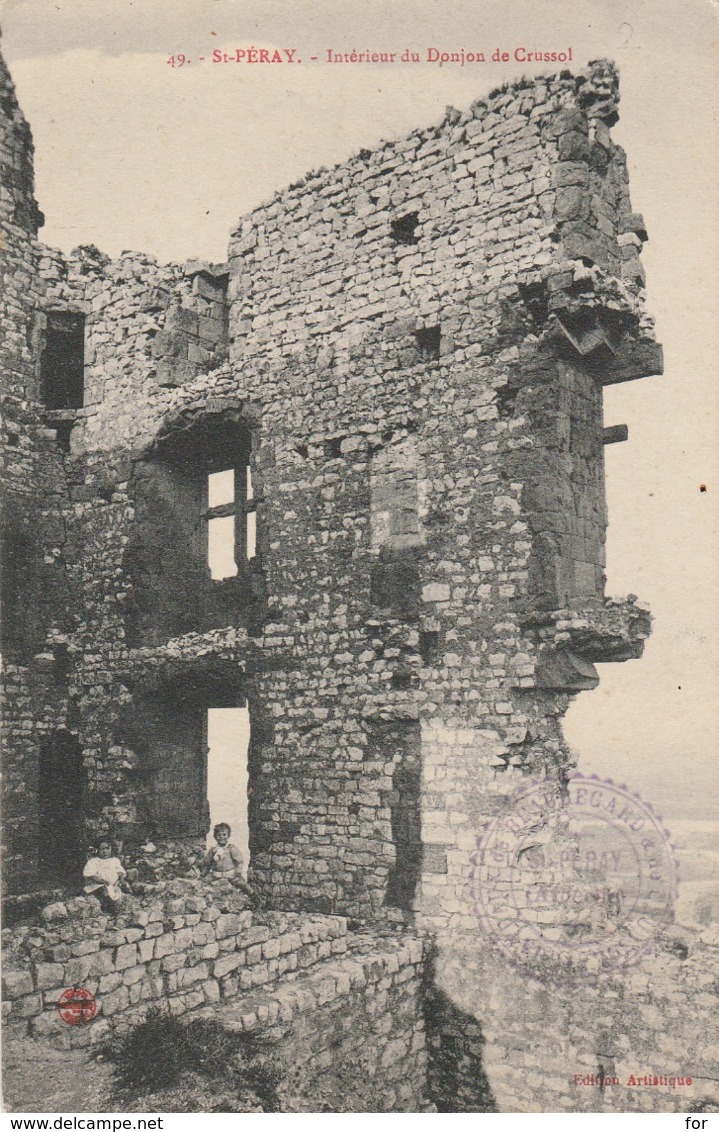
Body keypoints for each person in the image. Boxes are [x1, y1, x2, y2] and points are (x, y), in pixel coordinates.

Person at [201, 822, 254, 901]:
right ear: (215, 837)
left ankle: (253, 896)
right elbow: (208, 864)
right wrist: (203, 874)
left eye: (224, 835)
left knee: (242, 884)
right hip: (216, 876)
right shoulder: (213, 850)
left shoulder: (231, 848)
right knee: (204, 885)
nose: (221, 837)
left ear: (228, 836)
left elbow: (239, 862)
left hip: (230, 875)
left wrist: (238, 872)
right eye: (219, 835)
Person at [83, 839, 127, 911]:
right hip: (98, 885)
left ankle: (115, 904)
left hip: (113, 884)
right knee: (104, 891)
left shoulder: (114, 860)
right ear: (97, 850)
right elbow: (91, 875)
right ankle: (106, 905)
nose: (105, 851)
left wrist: (122, 880)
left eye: (107, 848)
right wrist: (101, 880)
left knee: (120, 889)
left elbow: (120, 872)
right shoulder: (94, 861)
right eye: (102, 849)